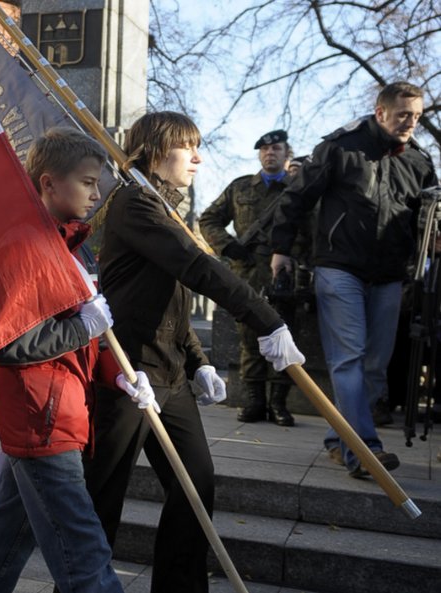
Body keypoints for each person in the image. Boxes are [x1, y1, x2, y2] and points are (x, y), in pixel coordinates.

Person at [89, 111, 304, 593]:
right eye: (189, 148)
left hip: (170, 375)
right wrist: (264, 318)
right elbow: (196, 267)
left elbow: (173, 300)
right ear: (158, 150)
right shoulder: (134, 204)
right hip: (126, 375)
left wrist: (199, 359)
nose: (198, 158)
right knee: (103, 495)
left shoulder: (165, 208)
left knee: (195, 487)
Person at [0, 128, 158, 593]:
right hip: (41, 421)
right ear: (48, 183)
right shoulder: (23, 245)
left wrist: (119, 375)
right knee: (87, 556)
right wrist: (84, 327)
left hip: (59, 414)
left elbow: (85, 342)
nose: (97, 193)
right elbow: (6, 345)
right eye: (87, 182)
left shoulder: (71, 248)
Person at [270, 82, 438, 478]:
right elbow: (297, 196)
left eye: (416, 116)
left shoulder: (419, 161)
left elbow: (425, 218)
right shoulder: (341, 147)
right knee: (349, 359)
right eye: (403, 115)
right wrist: (282, 249)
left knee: (376, 368)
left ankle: (338, 439)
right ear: (380, 112)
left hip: (389, 275)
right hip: (339, 268)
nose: (411, 123)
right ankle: (365, 453)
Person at [199, 129, 302, 426]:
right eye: (265, 149)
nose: (270, 153)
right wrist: (227, 245)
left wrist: (295, 255)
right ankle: (254, 401)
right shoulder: (240, 187)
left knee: (285, 338)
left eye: (276, 148)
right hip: (246, 274)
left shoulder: (298, 189)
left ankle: (279, 404)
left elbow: (312, 228)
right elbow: (208, 218)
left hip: (284, 275)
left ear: (287, 154)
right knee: (249, 339)